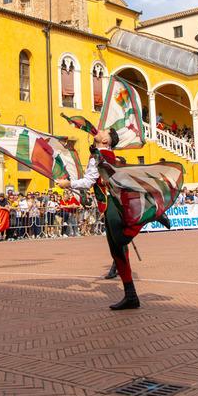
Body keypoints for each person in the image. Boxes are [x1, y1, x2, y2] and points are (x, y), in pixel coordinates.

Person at [57, 129, 171, 310]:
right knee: (118, 251)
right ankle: (131, 296)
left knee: (119, 240)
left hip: (112, 203)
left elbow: (88, 181)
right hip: (113, 202)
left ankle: (150, 216)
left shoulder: (98, 156)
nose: (99, 129)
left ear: (104, 140)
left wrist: (68, 184)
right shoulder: (107, 155)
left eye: (103, 131)